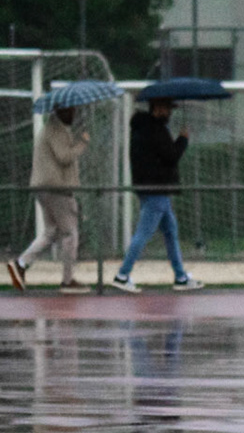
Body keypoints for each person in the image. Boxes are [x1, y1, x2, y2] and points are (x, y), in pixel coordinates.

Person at [110, 97, 202, 293]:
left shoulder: (142, 127)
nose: (170, 112)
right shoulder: (156, 129)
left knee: (170, 231)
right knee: (143, 233)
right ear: (158, 108)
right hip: (156, 188)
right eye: (168, 108)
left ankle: (180, 277)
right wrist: (183, 139)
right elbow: (171, 156)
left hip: (149, 187)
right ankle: (122, 275)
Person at [8, 105, 90, 295]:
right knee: (70, 233)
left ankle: (21, 264)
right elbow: (64, 156)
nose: (74, 115)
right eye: (71, 111)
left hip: (46, 188)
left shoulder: (55, 129)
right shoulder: (54, 129)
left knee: (51, 232)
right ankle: (67, 281)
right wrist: (82, 143)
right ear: (61, 111)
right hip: (56, 189)